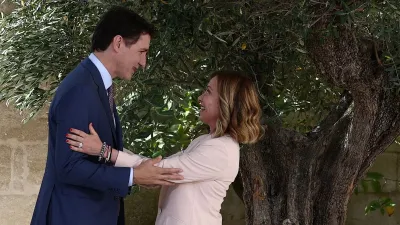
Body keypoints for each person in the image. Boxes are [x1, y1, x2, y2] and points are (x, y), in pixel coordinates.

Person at [30, 6, 183, 225]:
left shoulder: (96, 85)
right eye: (142, 51)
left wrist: (137, 172)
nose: (144, 63)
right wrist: (134, 176)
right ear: (118, 43)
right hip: (73, 216)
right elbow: (69, 167)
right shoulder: (80, 89)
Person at [66, 70, 264, 225]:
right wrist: (107, 148)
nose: (200, 98)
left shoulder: (220, 150)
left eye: (208, 92)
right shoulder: (207, 141)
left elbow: (161, 171)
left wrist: (104, 152)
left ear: (226, 103)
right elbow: (157, 168)